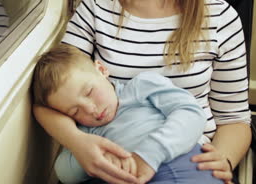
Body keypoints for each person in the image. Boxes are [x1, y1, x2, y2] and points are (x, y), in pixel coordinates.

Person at [33, 0, 251, 184]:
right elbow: (50, 97)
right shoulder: (96, 8)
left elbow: (235, 119)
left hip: (186, 156)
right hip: (112, 158)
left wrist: (223, 159)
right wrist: (79, 143)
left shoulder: (222, 18)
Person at [32, 44, 222, 183]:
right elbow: (65, 173)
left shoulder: (141, 87)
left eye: (89, 92)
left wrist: (150, 154)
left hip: (185, 161)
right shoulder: (87, 133)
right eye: (75, 111)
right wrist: (100, 156)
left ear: (101, 70)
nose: (90, 109)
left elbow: (191, 113)